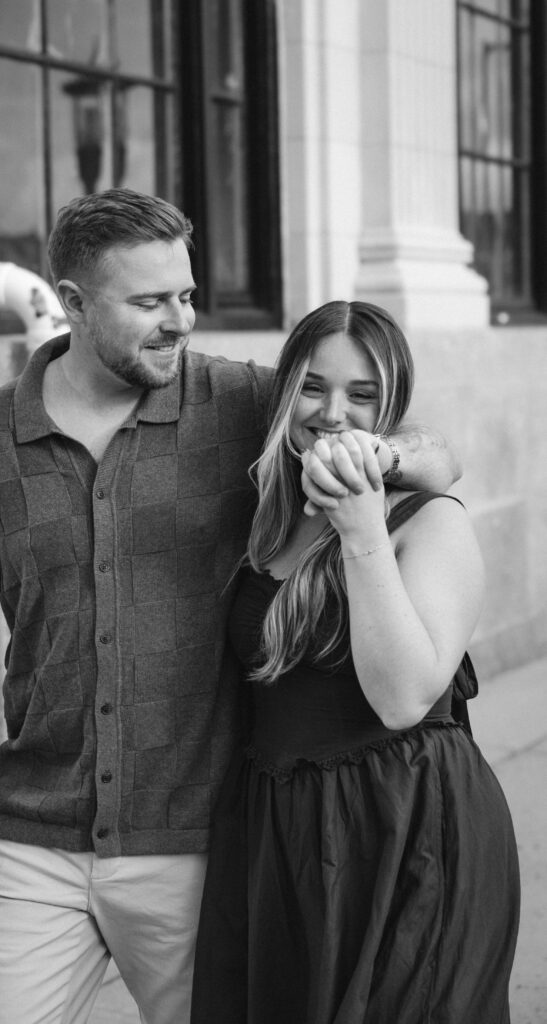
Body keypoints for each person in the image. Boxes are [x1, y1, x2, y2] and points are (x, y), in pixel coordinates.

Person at [0, 191, 461, 1024]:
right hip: (34, 837)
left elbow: (440, 456)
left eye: (185, 295)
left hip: (200, 844)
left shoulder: (240, 402)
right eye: (149, 302)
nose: (179, 320)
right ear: (72, 304)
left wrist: (383, 453)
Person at [190, 299, 520, 1024]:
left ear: (390, 407)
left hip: (405, 830)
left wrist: (361, 530)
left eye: (362, 394)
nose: (333, 412)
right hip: (281, 835)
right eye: (312, 385)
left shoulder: (428, 521)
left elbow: (403, 699)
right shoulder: (270, 511)